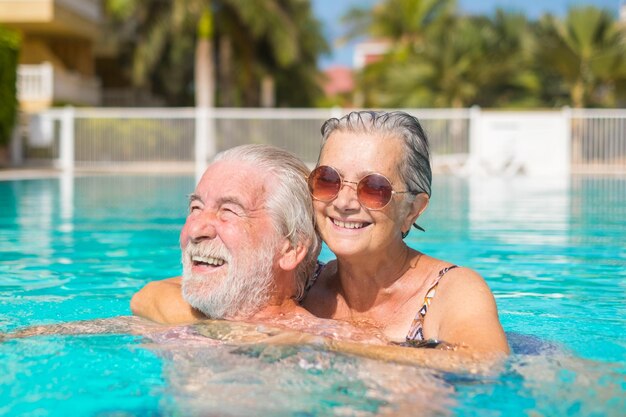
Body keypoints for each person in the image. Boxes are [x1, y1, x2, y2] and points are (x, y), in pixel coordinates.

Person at [132, 112, 509, 357]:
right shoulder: (306, 281)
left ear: (413, 208)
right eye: (327, 180)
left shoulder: (449, 290)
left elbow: (483, 364)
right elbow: (154, 296)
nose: (344, 202)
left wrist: (323, 341)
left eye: (372, 188)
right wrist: (241, 332)